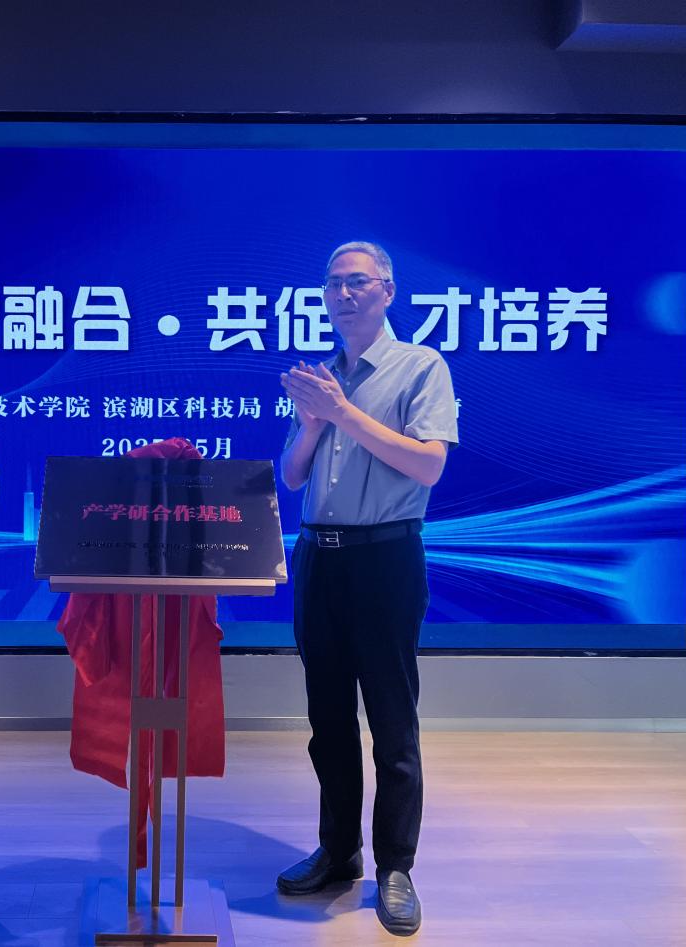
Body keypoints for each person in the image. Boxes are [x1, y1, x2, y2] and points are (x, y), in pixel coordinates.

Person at [275, 242, 458, 937]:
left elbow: (429, 465)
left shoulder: (421, 366)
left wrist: (343, 414)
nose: (344, 294)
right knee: (327, 720)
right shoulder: (324, 377)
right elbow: (292, 474)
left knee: (391, 720)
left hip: (385, 559)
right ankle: (339, 849)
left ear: (387, 290)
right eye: (333, 284)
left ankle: (396, 867)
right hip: (318, 558)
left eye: (358, 282)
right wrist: (314, 423)